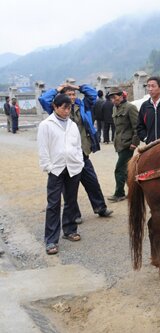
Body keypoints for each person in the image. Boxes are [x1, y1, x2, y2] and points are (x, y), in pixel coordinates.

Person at [39, 83, 113, 222]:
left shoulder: (83, 106)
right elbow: (43, 99)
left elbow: (93, 94)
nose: (72, 97)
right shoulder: (56, 109)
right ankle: (74, 215)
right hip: (66, 156)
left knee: (92, 181)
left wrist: (78, 87)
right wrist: (58, 88)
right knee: (69, 189)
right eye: (69, 94)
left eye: (73, 94)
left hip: (82, 152)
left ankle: (100, 207)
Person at [37, 94, 84, 255]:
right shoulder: (46, 125)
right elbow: (43, 149)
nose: (67, 110)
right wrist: (48, 167)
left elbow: (77, 146)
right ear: (55, 107)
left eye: (69, 107)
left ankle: (70, 230)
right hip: (56, 169)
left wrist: (79, 161)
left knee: (71, 201)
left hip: (73, 167)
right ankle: (51, 240)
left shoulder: (72, 125)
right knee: (53, 204)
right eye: (64, 107)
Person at [107, 87, 140, 202]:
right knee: (127, 171)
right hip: (119, 143)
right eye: (111, 98)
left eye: (115, 97)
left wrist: (134, 143)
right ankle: (135, 192)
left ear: (121, 96)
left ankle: (119, 193)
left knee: (119, 169)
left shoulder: (130, 108)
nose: (113, 100)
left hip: (127, 144)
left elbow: (136, 127)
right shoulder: (115, 108)